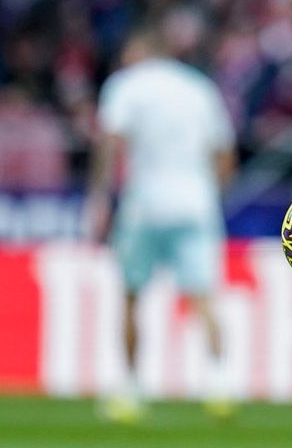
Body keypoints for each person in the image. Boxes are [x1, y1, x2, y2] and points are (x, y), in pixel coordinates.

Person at [88, 25, 237, 422]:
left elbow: (109, 142)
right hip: (195, 202)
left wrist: (101, 199)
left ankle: (131, 389)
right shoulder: (199, 88)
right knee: (203, 295)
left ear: (140, 50)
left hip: (145, 204)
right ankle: (219, 385)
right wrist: (213, 196)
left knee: (132, 294)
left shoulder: (126, 85)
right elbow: (223, 152)